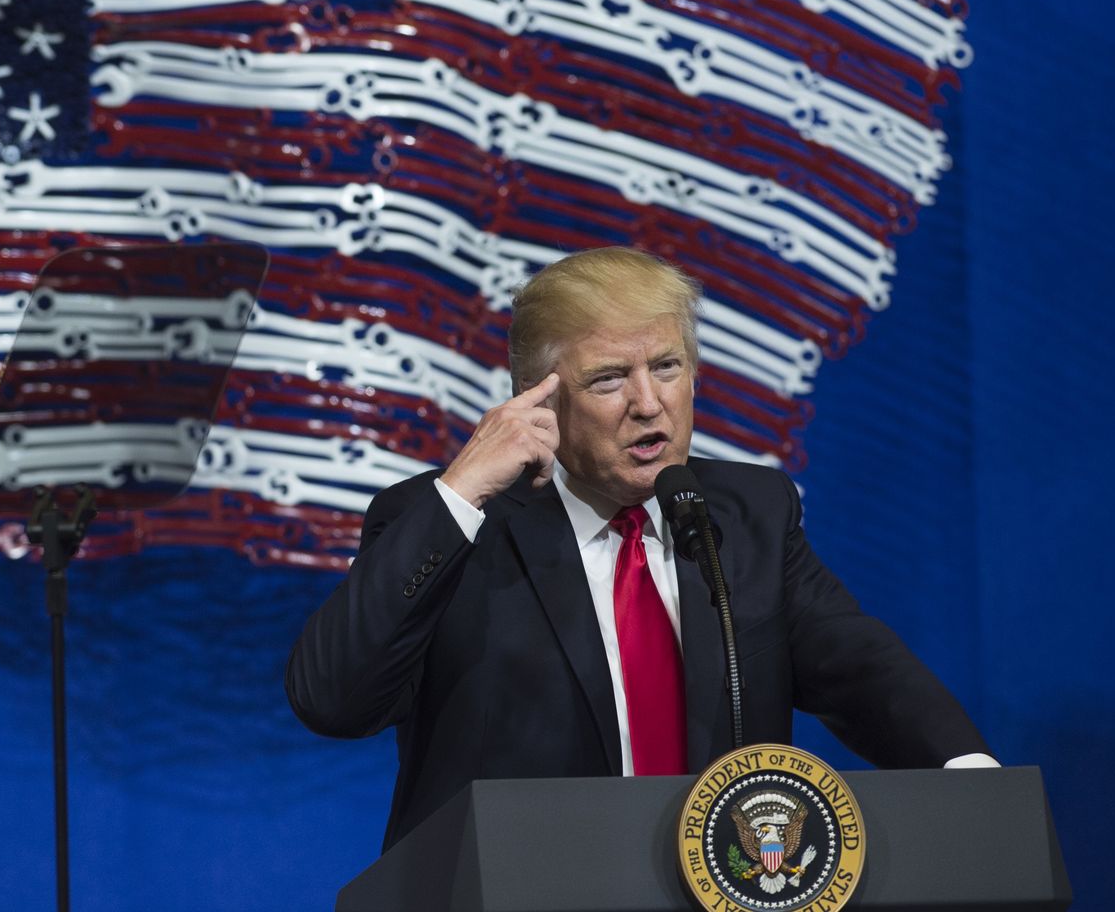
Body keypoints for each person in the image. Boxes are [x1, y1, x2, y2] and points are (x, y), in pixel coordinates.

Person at [285, 246, 993, 850]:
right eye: (609, 379)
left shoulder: (748, 514)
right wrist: (460, 492)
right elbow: (333, 700)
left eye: (667, 366)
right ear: (539, 400)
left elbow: (857, 663)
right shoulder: (449, 522)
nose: (649, 403)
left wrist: (966, 773)